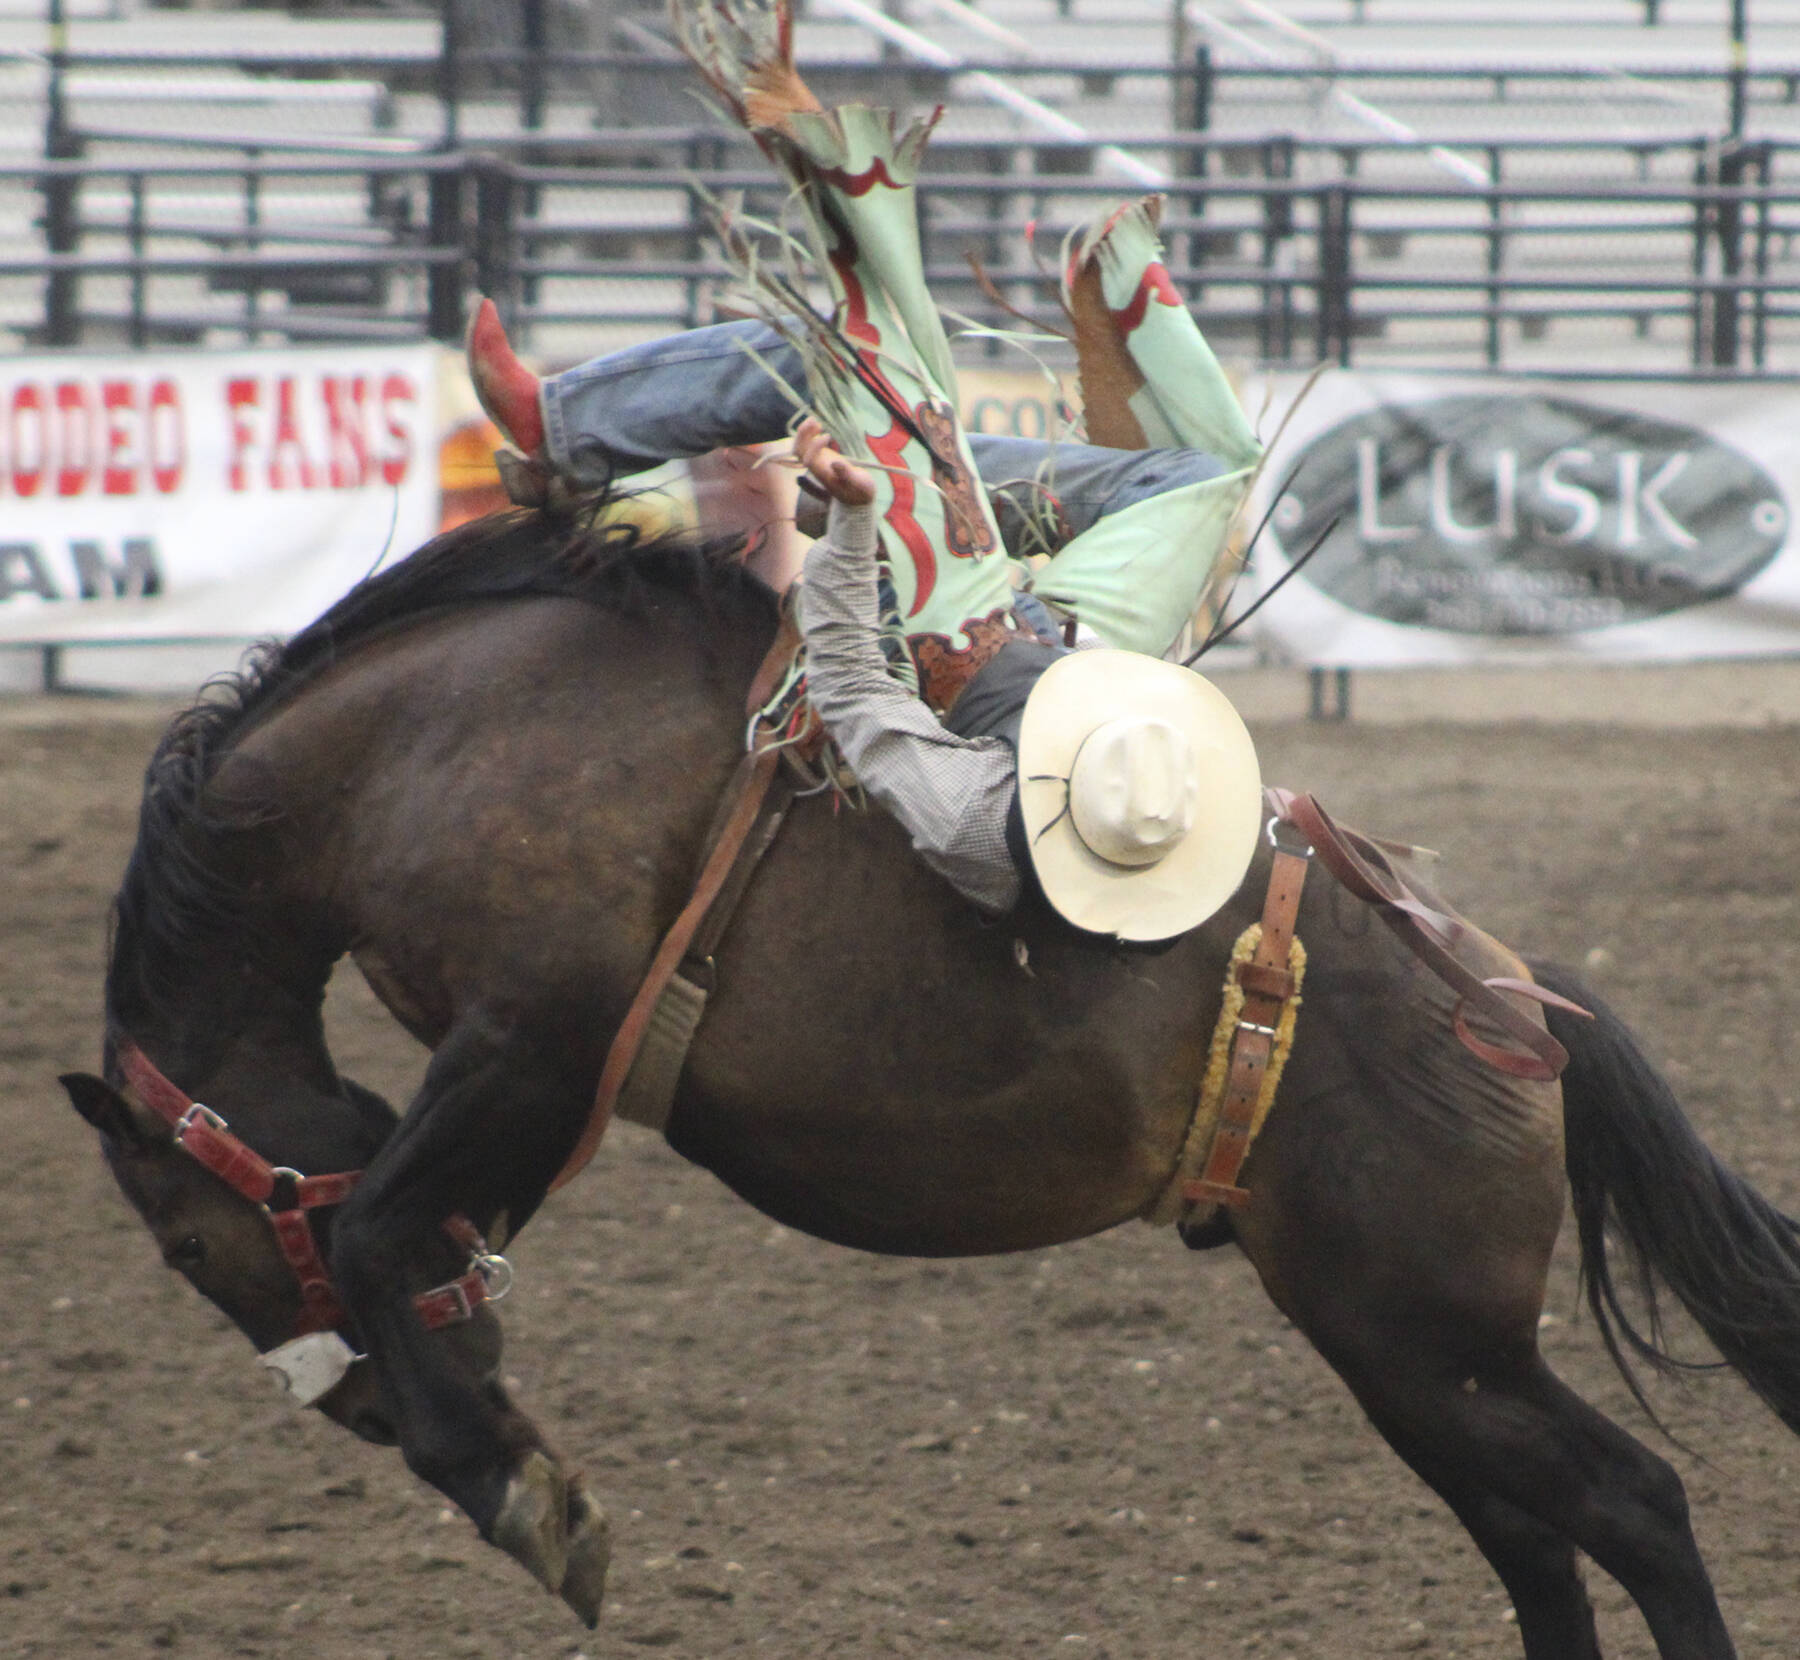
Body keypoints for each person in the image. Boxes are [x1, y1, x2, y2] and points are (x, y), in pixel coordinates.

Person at [471, 0, 1266, 941]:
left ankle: (567, 432)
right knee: (1203, 475)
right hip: (1085, 656)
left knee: (844, 362)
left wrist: (856, 522)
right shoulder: (1149, 798)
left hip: (944, 647)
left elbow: (856, 687)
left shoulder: (976, 819)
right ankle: (914, 466)